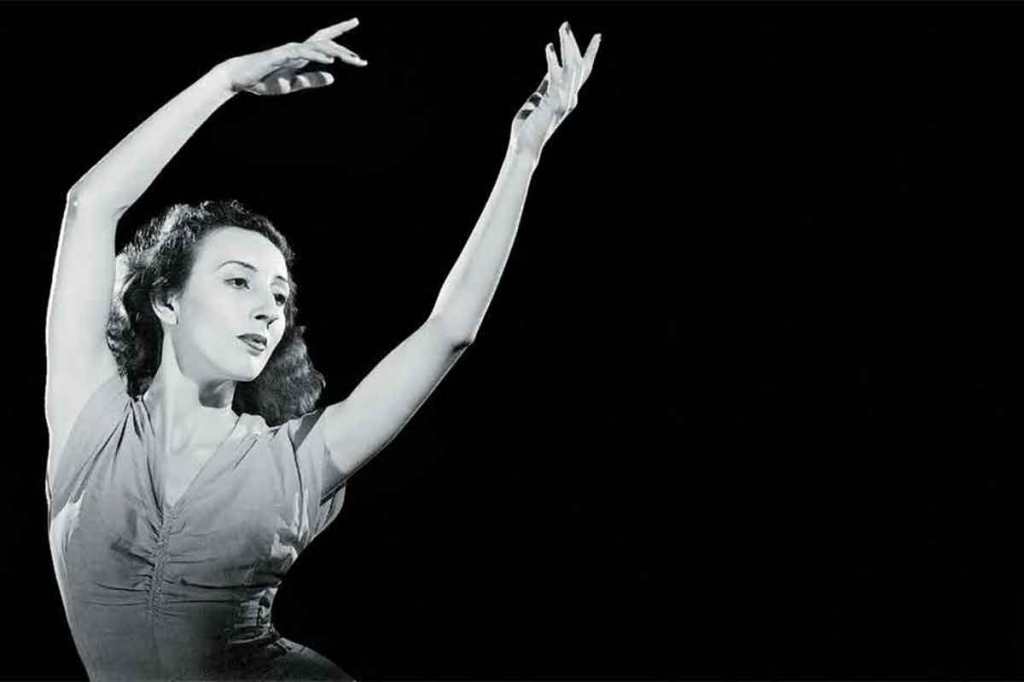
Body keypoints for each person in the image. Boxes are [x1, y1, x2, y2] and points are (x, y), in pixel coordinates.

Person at [44, 16, 600, 681]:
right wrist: (224, 80)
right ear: (167, 301)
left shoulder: (297, 461)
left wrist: (525, 152)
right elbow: (89, 205)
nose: (267, 308)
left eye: (280, 295)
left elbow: (449, 329)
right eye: (239, 281)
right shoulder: (91, 421)